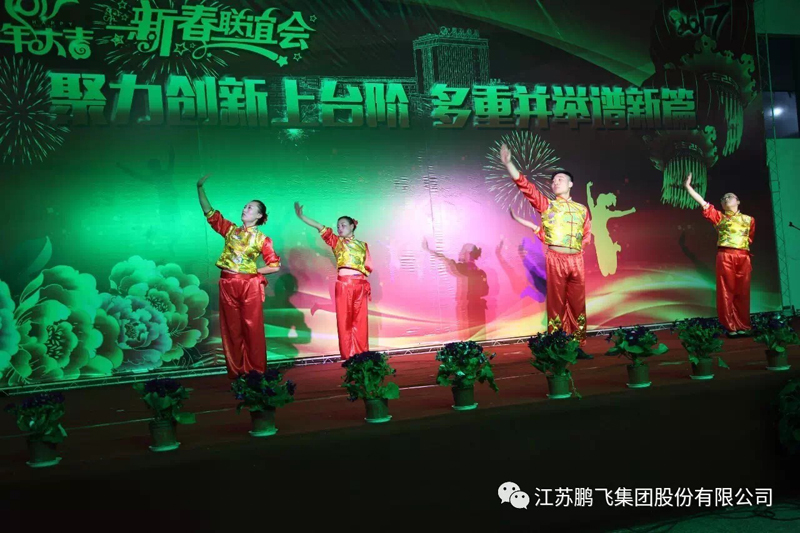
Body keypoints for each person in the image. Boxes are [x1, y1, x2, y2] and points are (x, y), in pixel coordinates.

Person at [502, 144, 593, 358]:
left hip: (576, 260)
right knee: (556, 304)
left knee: (578, 303)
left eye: (560, 179)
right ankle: (556, 344)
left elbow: (587, 235)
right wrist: (508, 164)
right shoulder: (547, 205)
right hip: (556, 260)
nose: (555, 182)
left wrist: (577, 253)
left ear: (570, 184)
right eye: (553, 181)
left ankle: (576, 344)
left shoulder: (582, 209)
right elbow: (527, 188)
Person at [197, 174, 281, 378]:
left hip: (248, 286)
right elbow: (210, 214)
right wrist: (200, 188)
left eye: (250, 208)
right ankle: (237, 372)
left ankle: (256, 372)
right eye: (245, 206)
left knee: (252, 328)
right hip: (227, 283)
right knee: (231, 329)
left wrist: (252, 272)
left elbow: (274, 266)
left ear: (259, 215)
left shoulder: (263, 239)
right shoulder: (230, 230)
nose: (245, 209)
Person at [294, 202, 372, 360]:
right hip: (343, 285)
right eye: (338, 226)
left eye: (343, 225)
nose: (339, 228)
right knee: (345, 321)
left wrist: (364, 283)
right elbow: (319, 227)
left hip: (360, 285)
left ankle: (362, 354)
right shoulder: (337, 242)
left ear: (352, 226)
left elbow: (368, 266)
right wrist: (302, 217)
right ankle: (348, 356)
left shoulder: (363, 245)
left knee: (360, 321)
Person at [683, 173, 755, 336]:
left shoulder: (749, 220)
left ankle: (743, 325)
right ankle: (730, 326)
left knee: (743, 292)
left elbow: (750, 238)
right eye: (723, 198)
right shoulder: (719, 217)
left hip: (744, 257)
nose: (726, 198)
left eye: (730, 196)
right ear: (721, 204)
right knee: (726, 291)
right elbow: (702, 202)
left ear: (738, 201)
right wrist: (688, 187)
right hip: (725, 256)